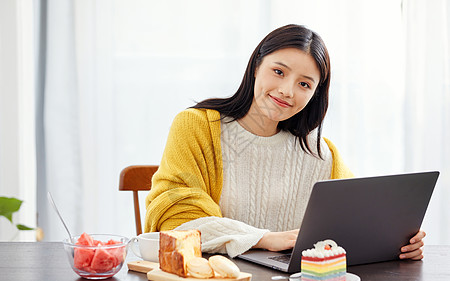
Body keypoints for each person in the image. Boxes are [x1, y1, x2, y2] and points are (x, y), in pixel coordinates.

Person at [144, 24, 425, 260]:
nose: (287, 91)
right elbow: (176, 220)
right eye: (278, 72)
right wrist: (262, 239)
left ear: (315, 94)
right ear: (256, 66)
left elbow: (357, 220)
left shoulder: (320, 153)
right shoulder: (198, 126)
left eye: (304, 84)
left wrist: (398, 241)